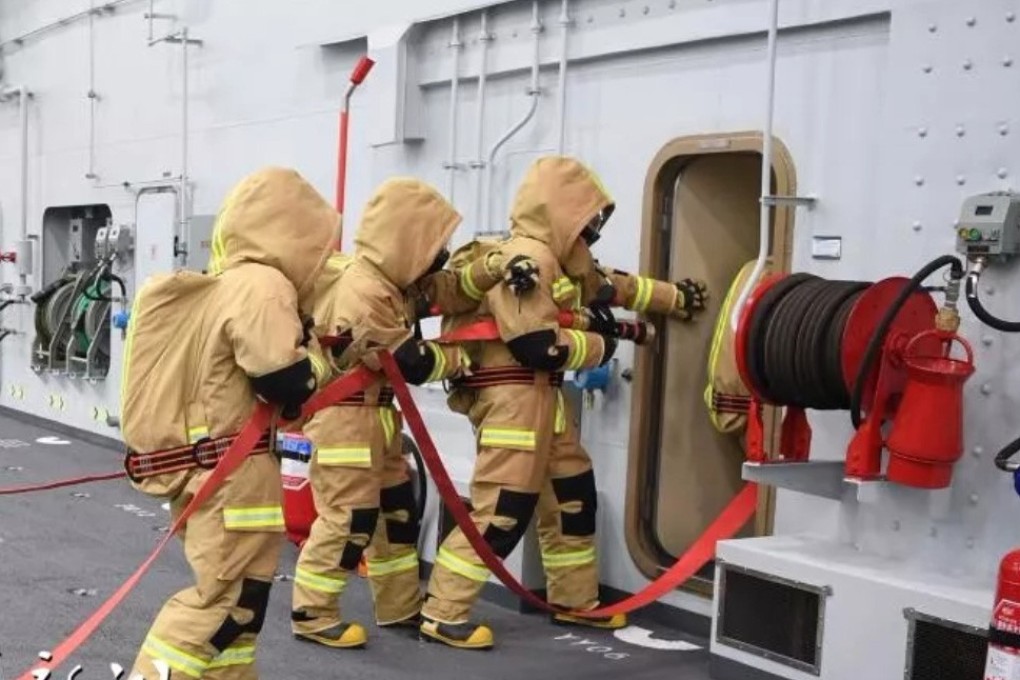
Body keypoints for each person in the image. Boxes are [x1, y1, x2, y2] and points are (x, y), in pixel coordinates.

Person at [419, 155, 707, 649]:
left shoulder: (564, 257)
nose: (593, 228)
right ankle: (443, 612)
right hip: (512, 399)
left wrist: (674, 298)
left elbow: (612, 285)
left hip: (542, 400)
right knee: (502, 511)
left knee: (573, 497)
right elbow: (538, 345)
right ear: (562, 212)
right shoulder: (528, 259)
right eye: (587, 217)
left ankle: (576, 601)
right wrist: (603, 344)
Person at [288, 177, 538, 648]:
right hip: (345, 419)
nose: (439, 255)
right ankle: (313, 613)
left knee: (396, 514)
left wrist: (497, 264)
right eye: (433, 245)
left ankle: (398, 606)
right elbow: (412, 362)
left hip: (377, 419)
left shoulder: (396, 285)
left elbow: (451, 288)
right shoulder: (363, 292)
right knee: (351, 517)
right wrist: (465, 359)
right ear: (405, 240)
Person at [121, 166, 338, 679]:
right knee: (220, 604)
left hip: (225, 473)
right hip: (232, 479)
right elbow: (289, 383)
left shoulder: (232, 284)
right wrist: (321, 355)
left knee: (243, 605)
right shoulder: (262, 285)